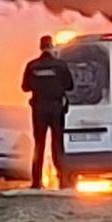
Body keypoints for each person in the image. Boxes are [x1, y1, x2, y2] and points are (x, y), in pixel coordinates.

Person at [21, 34, 74, 190]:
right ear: (51, 47)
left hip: (38, 109)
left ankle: (36, 182)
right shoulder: (61, 65)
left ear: (40, 47)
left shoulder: (32, 66)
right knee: (58, 145)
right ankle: (63, 180)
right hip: (56, 108)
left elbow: (25, 87)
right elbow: (70, 85)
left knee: (39, 145)